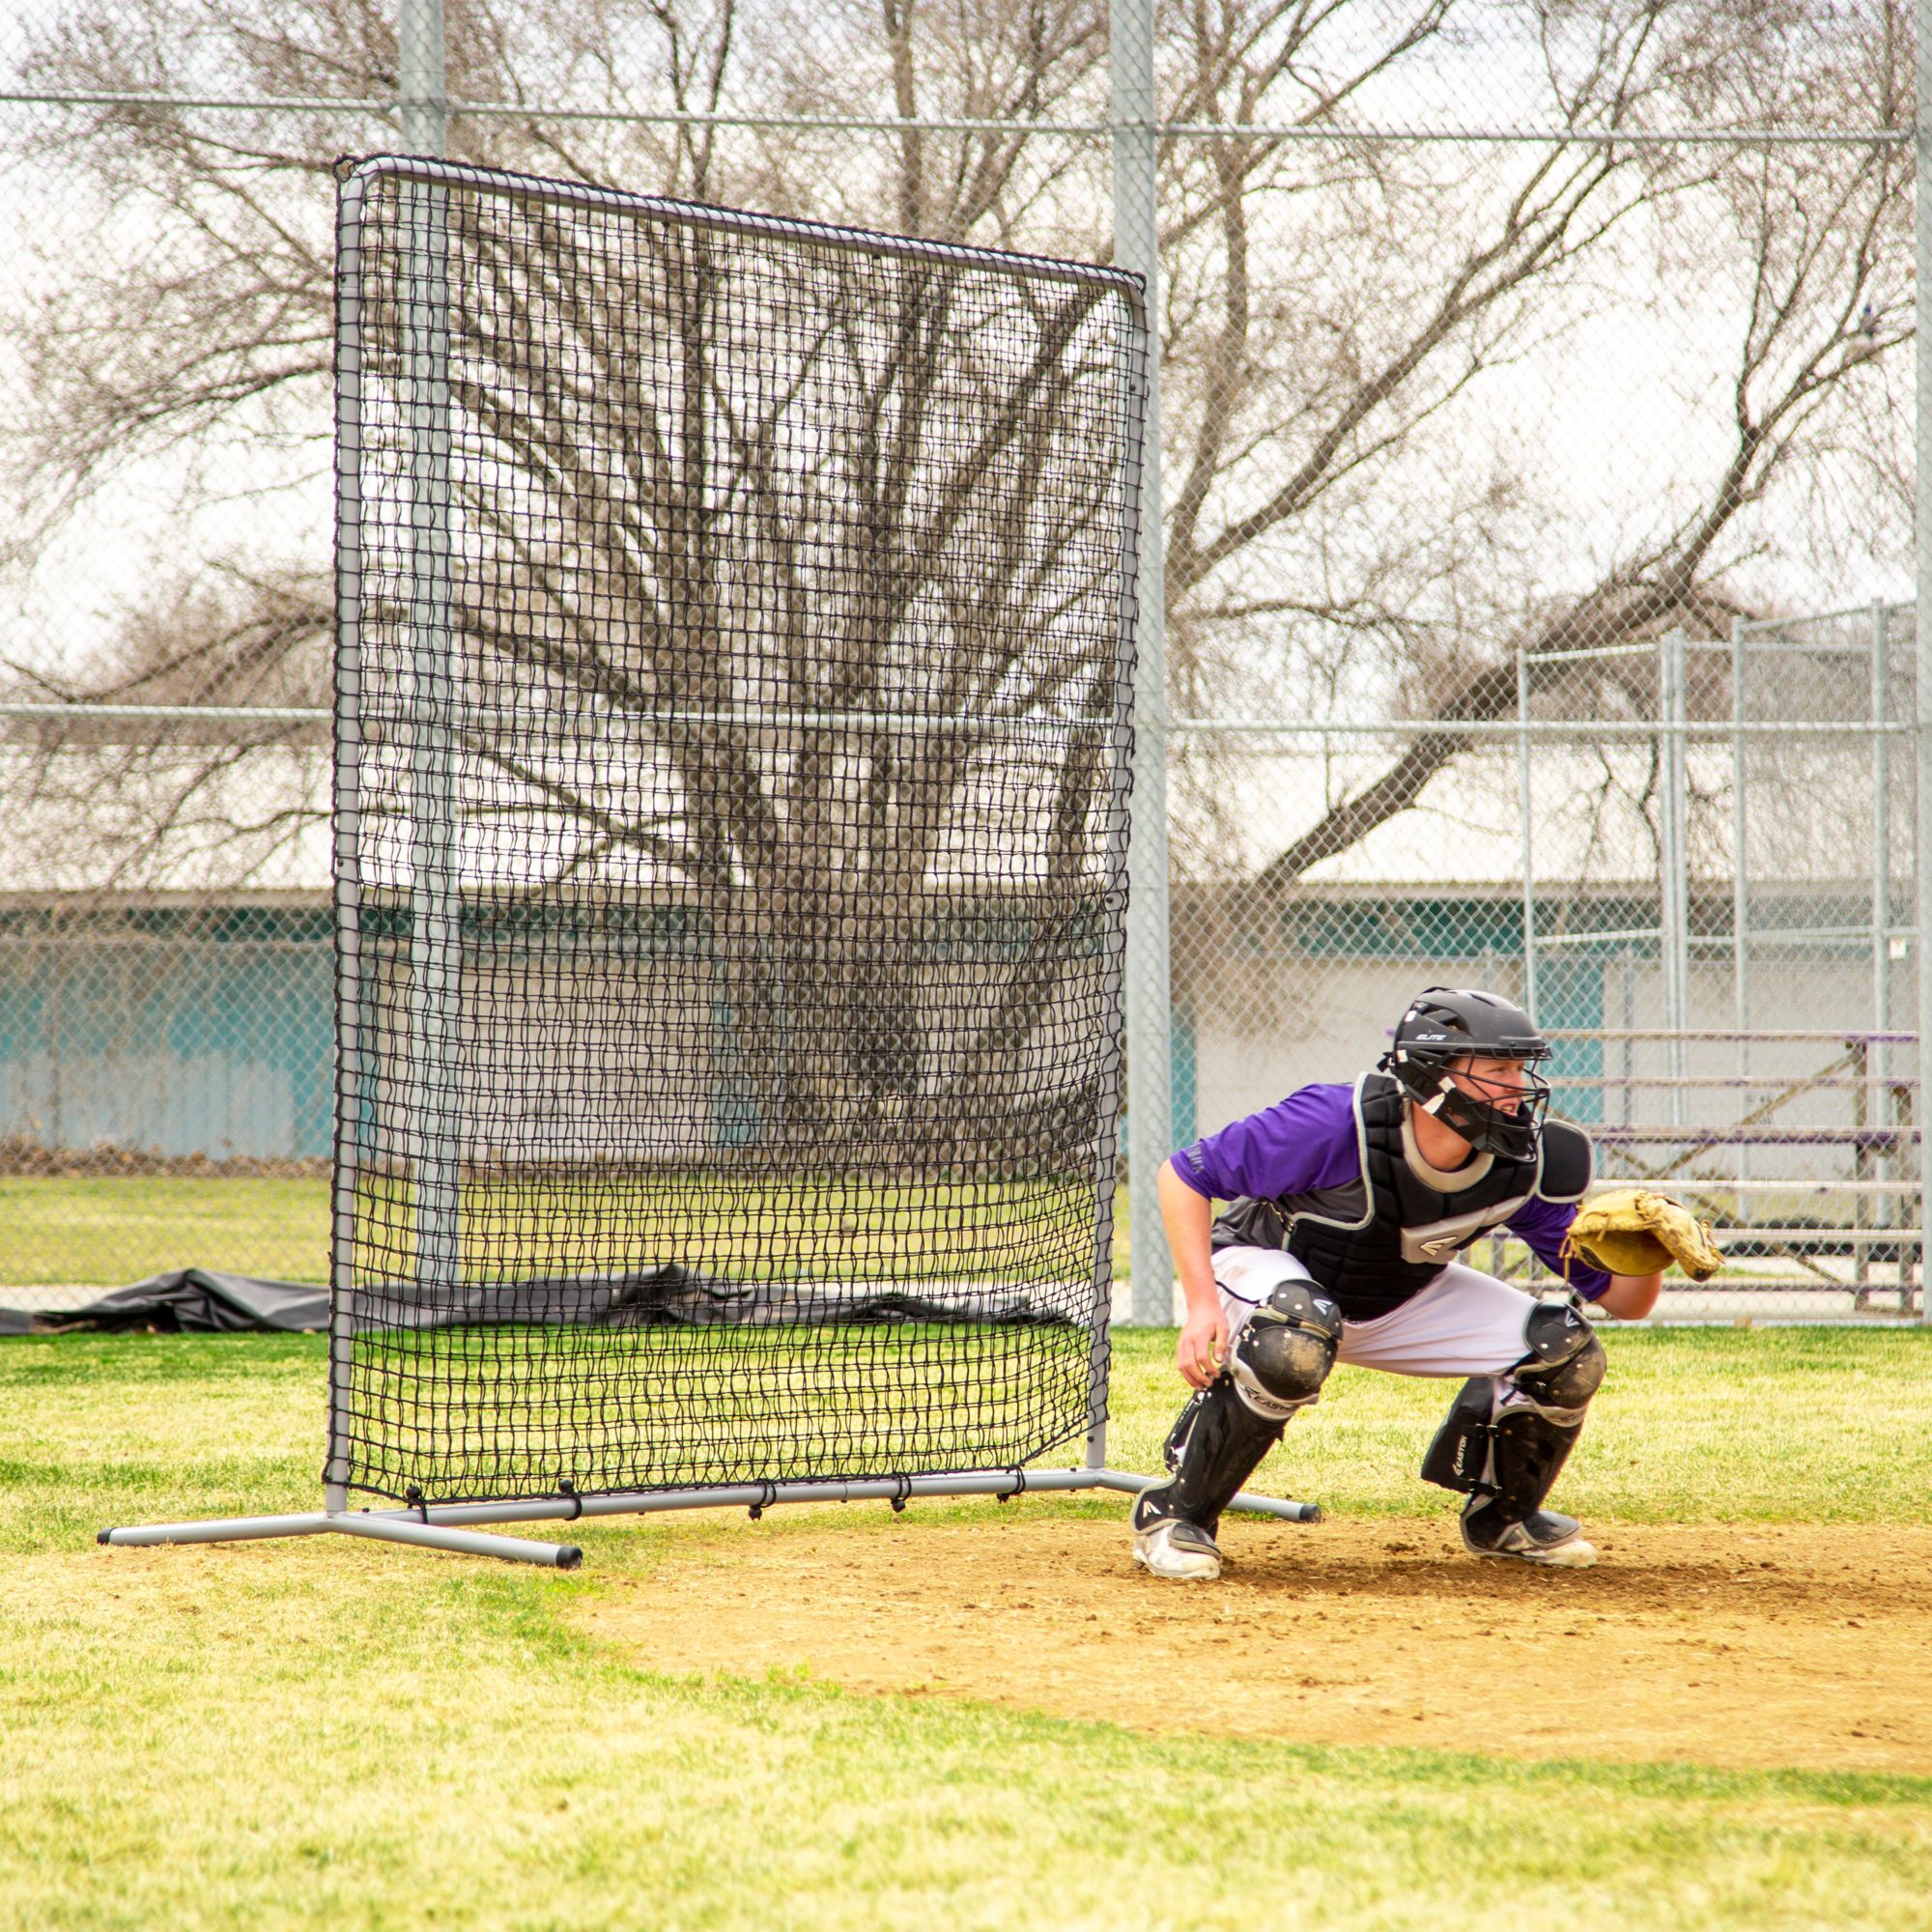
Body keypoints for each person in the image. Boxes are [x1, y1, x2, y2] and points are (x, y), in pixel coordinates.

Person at [1130, 985, 1662, 1581]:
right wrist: (1202, 1306)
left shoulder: (1524, 1161)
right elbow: (1183, 1176)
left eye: (1522, 1067)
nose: (1518, 1087)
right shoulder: (1334, 1121)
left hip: (1394, 1296)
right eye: (1497, 1068)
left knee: (1566, 1351)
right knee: (1297, 1332)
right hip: (1268, 1272)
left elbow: (1623, 1301)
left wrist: (1649, 1254)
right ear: (1432, 1074)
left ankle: (1504, 1520)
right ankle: (1176, 1514)